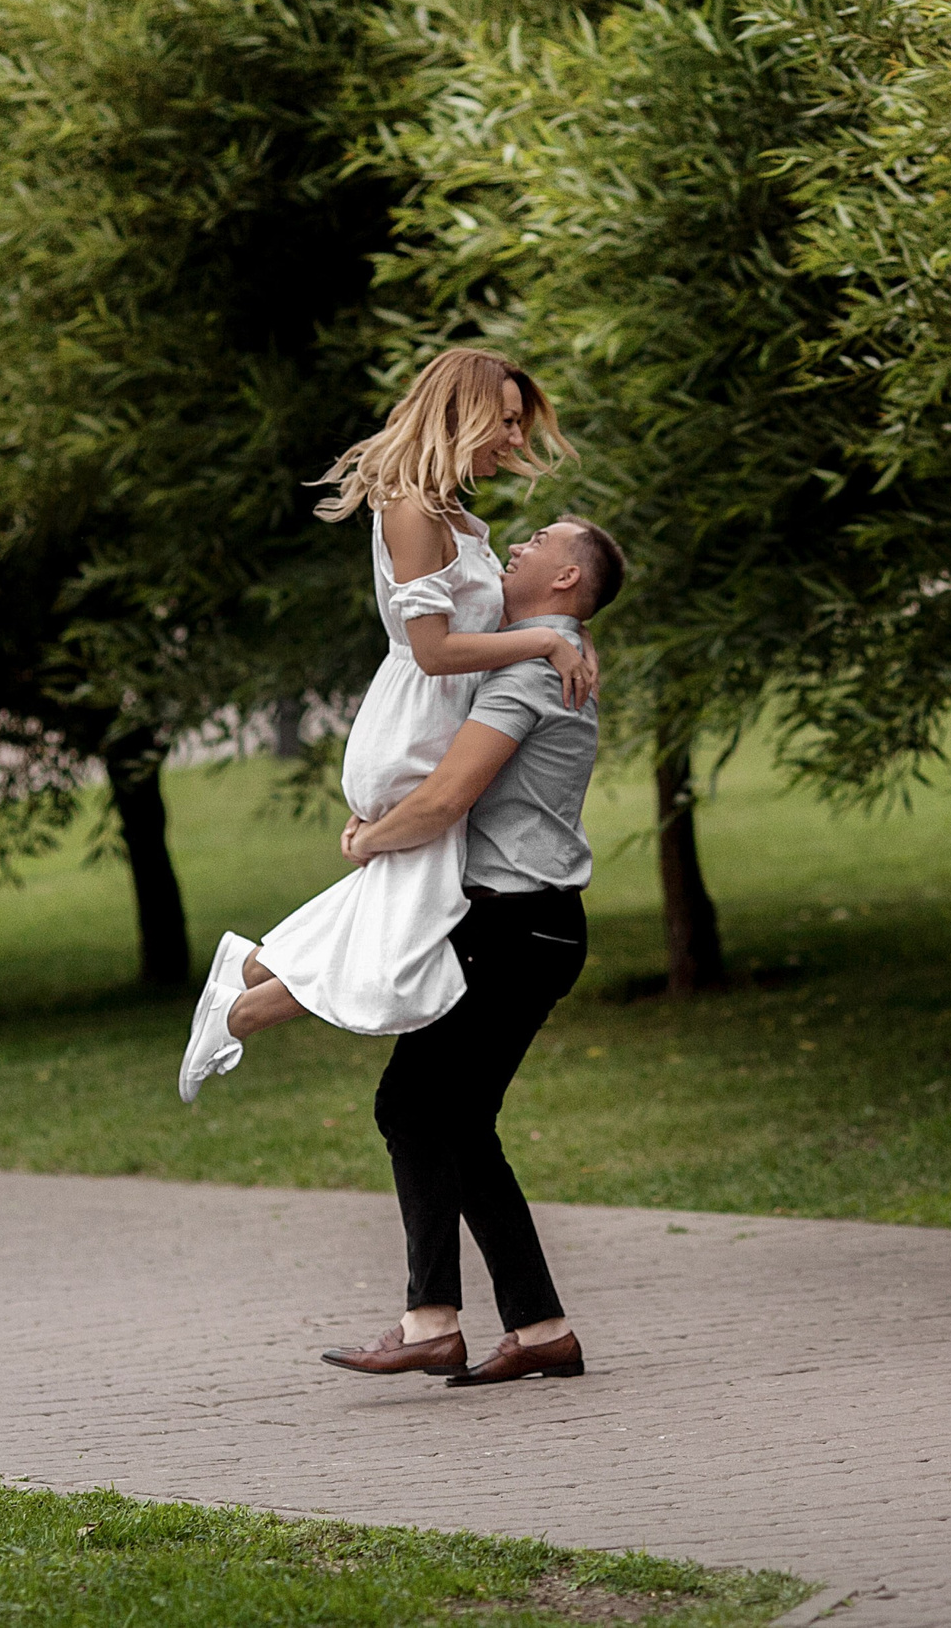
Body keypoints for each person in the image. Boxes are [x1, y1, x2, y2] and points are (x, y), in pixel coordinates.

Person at [178, 348, 592, 1099]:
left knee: (405, 903)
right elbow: (433, 651)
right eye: (502, 422)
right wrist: (544, 638)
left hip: (438, 720)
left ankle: (243, 979)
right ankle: (237, 1009)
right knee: (409, 928)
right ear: (461, 413)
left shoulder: (460, 517)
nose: (511, 440)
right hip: (416, 717)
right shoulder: (410, 508)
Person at [313, 512, 624, 1387]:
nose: (519, 544)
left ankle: (432, 1320)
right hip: (527, 925)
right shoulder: (535, 650)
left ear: (567, 580)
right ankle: (538, 1327)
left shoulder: (532, 668)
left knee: (414, 1107)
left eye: (541, 544)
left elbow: (449, 796)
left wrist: (369, 838)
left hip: (516, 927)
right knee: (452, 1120)